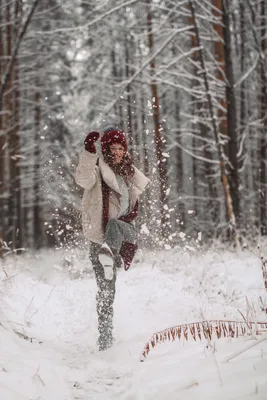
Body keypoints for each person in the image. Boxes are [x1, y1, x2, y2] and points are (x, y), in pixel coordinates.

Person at [75, 127, 149, 351]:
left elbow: (133, 201)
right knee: (107, 289)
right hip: (100, 239)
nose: (116, 152)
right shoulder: (97, 169)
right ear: (105, 150)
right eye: (112, 148)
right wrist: (89, 153)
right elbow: (83, 180)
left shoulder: (128, 173)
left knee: (118, 226)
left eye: (120, 148)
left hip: (123, 232)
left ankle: (111, 250)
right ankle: (105, 337)